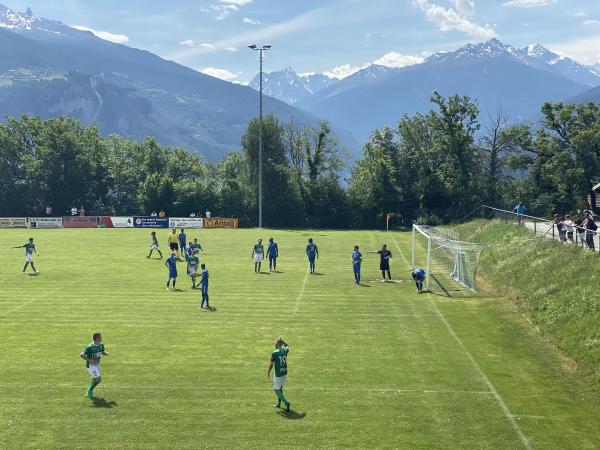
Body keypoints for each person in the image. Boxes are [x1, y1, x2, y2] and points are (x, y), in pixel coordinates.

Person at [80, 332, 109, 399]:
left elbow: (102, 352)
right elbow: (81, 355)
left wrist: (105, 353)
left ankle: (89, 390)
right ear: (97, 338)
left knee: (94, 378)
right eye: (100, 337)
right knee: (98, 379)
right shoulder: (89, 347)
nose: (101, 338)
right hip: (90, 366)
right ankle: (89, 391)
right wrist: (89, 360)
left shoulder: (101, 344)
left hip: (97, 365)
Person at [267, 338, 291, 412]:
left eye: (276, 342)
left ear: (277, 344)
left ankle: (286, 403)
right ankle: (278, 404)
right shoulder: (285, 350)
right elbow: (288, 346)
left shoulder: (274, 353)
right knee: (280, 388)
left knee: (277, 390)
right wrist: (283, 341)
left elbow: (271, 364)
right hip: (284, 372)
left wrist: (268, 372)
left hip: (278, 374)